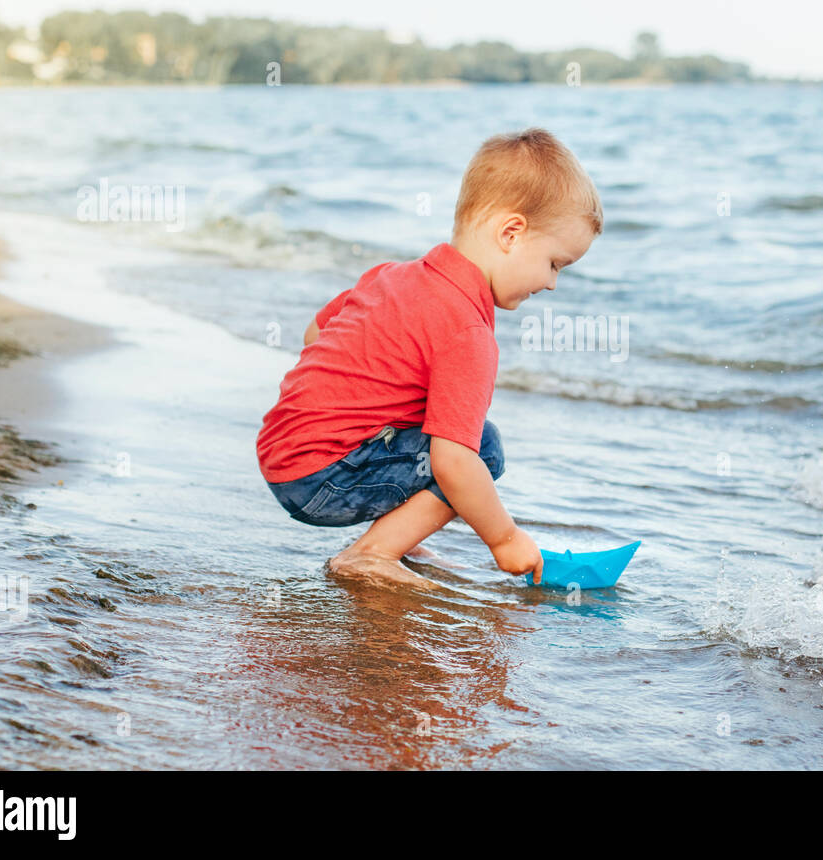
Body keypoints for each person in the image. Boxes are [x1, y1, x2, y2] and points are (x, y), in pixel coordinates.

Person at [256, 127, 602, 586]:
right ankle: (373, 553)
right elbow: (454, 463)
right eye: (555, 264)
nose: (553, 283)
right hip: (321, 482)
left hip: (280, 452)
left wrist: (368, 406)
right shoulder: (467, 331)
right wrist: (505, 539)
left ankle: (399, 533)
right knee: (483, 446)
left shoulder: (392, 276)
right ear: (511, 233)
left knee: (426, 423)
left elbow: (316, 333)